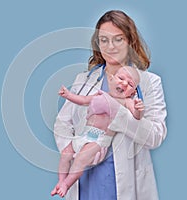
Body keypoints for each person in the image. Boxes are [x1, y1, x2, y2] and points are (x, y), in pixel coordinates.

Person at [53, 10, 167, 200]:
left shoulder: (149, 82)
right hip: (86, 176)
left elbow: (155, 136)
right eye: (104, 40)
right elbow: (62, 124)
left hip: (125, 180)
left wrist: (118, 114)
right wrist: (75, 151)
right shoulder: (84, 80)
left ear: (130, 41)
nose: (110, 46)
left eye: (118, 39)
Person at [51, 66, 144, 197]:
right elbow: (83, 101)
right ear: (111, 80)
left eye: (130, 84)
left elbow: (136, 116)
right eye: (121, 78)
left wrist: (139, 109)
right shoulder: (100, 95)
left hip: (98, 140)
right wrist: (69, 95)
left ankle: (66, 184)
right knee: (66, 153)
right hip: (84, 134)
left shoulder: (125, 101)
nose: (124, 83)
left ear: (133, 92)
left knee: (79, 161)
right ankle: (61, 181)